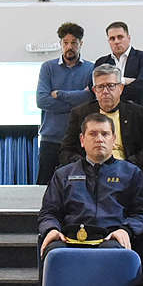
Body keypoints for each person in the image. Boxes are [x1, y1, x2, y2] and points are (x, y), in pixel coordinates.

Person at [38, 112, 143, 255]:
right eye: (93, 134)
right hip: (70, 238)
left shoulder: (132, 173)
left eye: (105, 134)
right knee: (54, 251)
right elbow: (49, 212)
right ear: (82, 139)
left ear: (114, 139)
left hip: (112, 237)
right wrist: (52, 229)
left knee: (111, 252)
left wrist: (126, 230)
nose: (99, 139)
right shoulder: (63, 175)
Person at [33, 21, 97, 184]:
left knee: (81, 185)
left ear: (80, 44)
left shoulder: (91, 69)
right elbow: (42, 100)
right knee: (45, 185)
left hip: (80, 139)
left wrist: (59, 94)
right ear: (60, 43)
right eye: (66, 43)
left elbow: (90, 99)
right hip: (51, 137)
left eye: (74, 43)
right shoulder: (48, 68)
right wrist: (77, 102)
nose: (70, 47)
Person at [61, 62, 143, 166]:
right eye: (100, 87)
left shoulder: (139, 114)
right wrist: (85, 165)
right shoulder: (80, 113)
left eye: (111, 86)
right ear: (94, 90)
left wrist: (126, 167)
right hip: (89, 171)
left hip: (127, 170)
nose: (105, 91)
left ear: (120, 88)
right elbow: (66, 151)